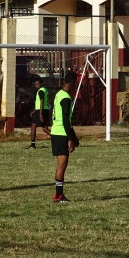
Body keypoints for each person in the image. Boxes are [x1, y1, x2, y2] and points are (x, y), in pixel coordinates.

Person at [50, 72, 79, 203]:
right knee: (62, 165)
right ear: (73, 83)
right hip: (61, 133)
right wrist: (70, 138)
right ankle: (58, 195)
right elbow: (66, 120)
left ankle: (58, 194)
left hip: (56, 131)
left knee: (60, 165)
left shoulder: (58, 94)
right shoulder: (66, 98)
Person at [26, 79, 50, 149]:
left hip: (41, 111)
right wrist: (35, 111)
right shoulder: (44, 90)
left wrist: (40, 114)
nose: (36, 85)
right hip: (44, 110)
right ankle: (60, 140)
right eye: (35, 84)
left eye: (37, 84)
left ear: (41, 84)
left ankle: (33, 145)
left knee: (33, 126)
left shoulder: (41, 91)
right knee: (45, 129)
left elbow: (41, 102)